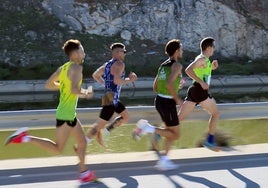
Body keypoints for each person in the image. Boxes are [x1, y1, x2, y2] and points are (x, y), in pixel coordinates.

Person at [4, 39, 96, 184]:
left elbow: (49, 84)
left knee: (82, 142)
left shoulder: (63, 68)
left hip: (68, 113)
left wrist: (64, 86)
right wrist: (87, 93)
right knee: (58, 148)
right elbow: (74, 90)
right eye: (82, 50)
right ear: (76, 53)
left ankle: (84, 173)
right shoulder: (77, 68)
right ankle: (25, 137)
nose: (84, 53)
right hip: (66, 114)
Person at [133, 39, 183, 171]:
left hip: (159, 101)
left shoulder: (162, 66)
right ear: (177, 51)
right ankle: (147, 128)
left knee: (169, 132)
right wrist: (177, 98)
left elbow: (155, 87)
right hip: (168, 102)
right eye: (181, 49)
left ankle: (164, 160)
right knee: (176, 134)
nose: (182, 51)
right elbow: (169, 84)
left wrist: (176, 87)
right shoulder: (177, 66)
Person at [86, 42, 137, 145]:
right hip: (111, 99)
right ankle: (83, 143)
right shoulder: (119, 64)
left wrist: (105, 83)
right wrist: (130, 80)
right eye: (124, 52)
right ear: (118, 53)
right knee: (98, 125)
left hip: (110, 97)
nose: (124, 54)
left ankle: (105, 131)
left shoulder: (108, 64)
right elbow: (117, 81)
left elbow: (95, 75)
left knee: (125, 117)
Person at [178, 37, 220, 151]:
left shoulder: (205, 60)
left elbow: (202, 72)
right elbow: (188, 70)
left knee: (179, 118)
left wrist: (212, 67)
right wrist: (201, 82)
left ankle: (158, 133)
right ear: (209, 47)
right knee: (216, 114)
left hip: (194, 90)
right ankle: (209, 141)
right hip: (199, 90)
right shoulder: (201, 59)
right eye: (213, 47)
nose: (214, 49)